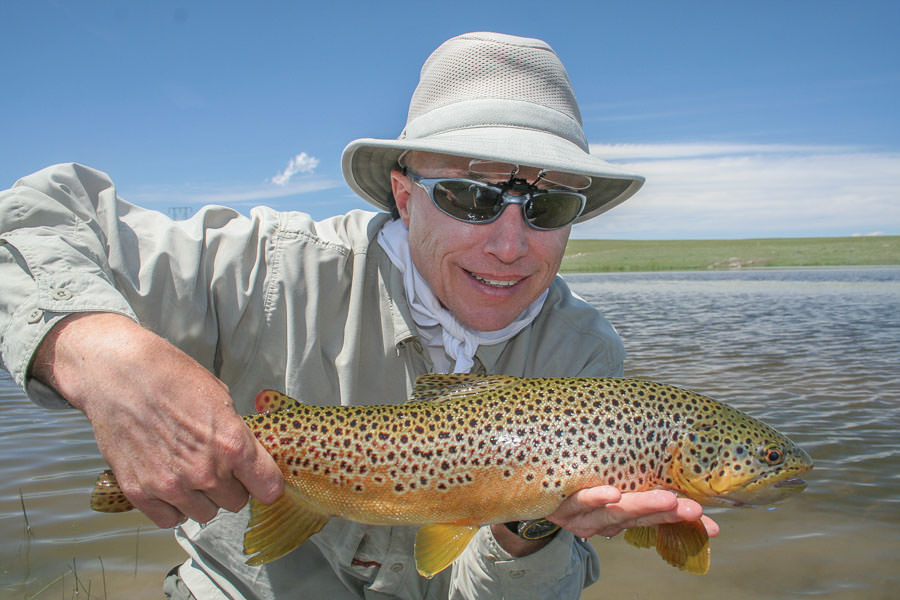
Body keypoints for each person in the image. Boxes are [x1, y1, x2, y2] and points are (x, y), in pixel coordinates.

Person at [0, 32, 717, 599]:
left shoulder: (586, 358)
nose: (509, 244)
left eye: (550, 206)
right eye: (471, 198)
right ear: (404, 197)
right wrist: (102, 356)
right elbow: (31, 224)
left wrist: (527, 526)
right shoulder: (264, 268)